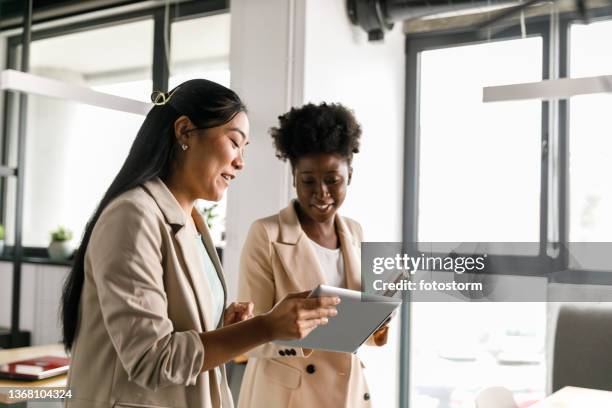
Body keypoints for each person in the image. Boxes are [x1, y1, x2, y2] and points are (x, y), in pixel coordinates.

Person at [60, 80, 340, 408]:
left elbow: (180, 327)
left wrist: (223, 325)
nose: (241, 162)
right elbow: (152, 359)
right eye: (235, 142)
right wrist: (265, 327)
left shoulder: (192, 221)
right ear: (184, 132)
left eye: (245, 148)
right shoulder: (132, 216)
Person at [237, 102, 389, 408]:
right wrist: (304, 333)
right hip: (289, 396)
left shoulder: (355, 232)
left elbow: (355, 329)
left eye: (333, 180)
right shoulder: (266, 235)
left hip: (348, 394)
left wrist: (376, 321)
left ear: (350, 175)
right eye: (308, 181)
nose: (321, 192)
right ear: (294, 177)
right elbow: (248, 336)